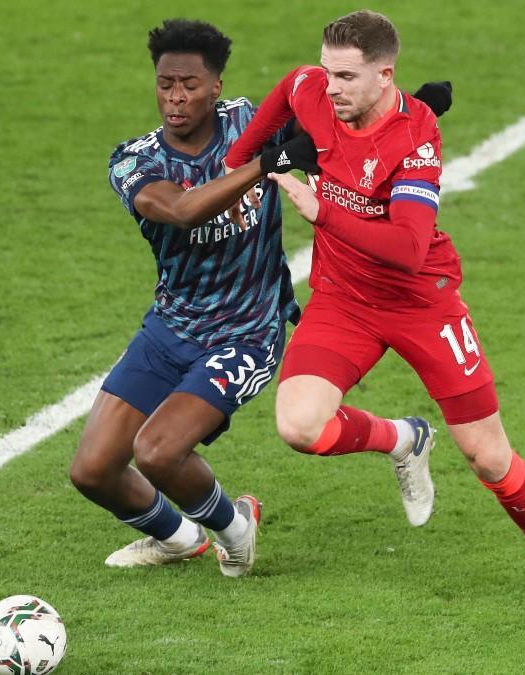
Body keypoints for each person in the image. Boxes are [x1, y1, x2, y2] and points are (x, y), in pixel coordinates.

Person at [223, 9, 525, 615]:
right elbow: (276, 108)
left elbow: (408, 247)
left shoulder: (416, 134)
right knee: (299, 427)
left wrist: (321, 211)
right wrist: (243, 169)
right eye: (328, 71)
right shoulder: (312, 90)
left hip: (422, 303)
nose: (328, 85)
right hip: (343, 300)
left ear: (385, 76)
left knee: (488, 456)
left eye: (345, 76)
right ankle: (403, 440)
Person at [68, 18, 453, 578]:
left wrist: (420, 108)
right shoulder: (135, 161)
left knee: (156, 451)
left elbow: (351, 119)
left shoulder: (251, 122)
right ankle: (178, 538)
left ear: (216, 86)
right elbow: (179, 210)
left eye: (190, 85)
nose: (176, 98)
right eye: (165, 84)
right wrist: (267, 164)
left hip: (248, 331)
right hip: (171, 326)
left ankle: (235, 528)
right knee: (92, 470)